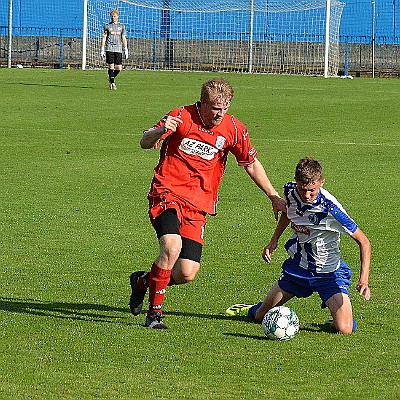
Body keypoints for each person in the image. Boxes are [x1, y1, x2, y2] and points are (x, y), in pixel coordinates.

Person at [129, 77, 286, 329]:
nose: (219, 114)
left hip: (198, 204)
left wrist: (273, 196)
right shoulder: (180, 116)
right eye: (215, 108)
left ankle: (143, 281)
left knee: (186, 273)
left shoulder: (233, 128)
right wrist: (161, 130)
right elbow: (145, 142)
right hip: (167, 193)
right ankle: (154, 315)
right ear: (202, 103)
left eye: (225, 108)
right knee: (171, 246)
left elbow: (251, 163)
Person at [226, 157, 371, 334]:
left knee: (345, 328)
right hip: (299, 269)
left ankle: (335, 318)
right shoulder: (290, 191)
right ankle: (253, 308)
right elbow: (288, 212)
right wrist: (274, 240)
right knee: (260, 316)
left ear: (321, 183)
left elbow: (364, 242)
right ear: (296, 183)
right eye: (303, 190)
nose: (307, 195)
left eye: (312, 190)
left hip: (328, 274)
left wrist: (363, 279)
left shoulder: (331, 210)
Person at [100, 9, 128, 90]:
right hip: (109, 48)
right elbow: (104, 37)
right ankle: (112, 83)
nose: (113, 18)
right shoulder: (107, 26)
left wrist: (126, 49)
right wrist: (102, 48)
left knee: (119, 68)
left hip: (118, 49)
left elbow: (123, 38)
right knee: (111, 66)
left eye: (115, 16)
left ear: (117, 17)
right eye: (112, 16)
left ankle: (111, 78)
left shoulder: (121, 26)